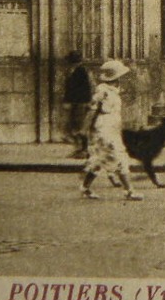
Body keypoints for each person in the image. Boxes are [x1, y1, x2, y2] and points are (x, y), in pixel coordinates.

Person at [80, 59, 143, 201]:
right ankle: (129, 191)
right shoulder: (103, 91)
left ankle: (85, 188)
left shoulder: (113, 91)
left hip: (111, 127)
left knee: (99, 160)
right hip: (104, 128)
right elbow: (92, 109)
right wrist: (85, 129)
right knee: (119, 157)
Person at [61, 51, 93, 158]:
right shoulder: (74, 70)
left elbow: (85, 89)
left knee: (80, 127)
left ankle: (84, 149)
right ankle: (79, 148)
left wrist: (74, 102)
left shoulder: (81, 71)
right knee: (74, 126)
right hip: (76, 103)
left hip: (80, 103)